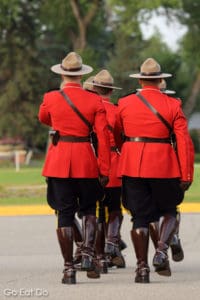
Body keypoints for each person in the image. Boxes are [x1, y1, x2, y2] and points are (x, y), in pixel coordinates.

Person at [115, 58, 194, 283]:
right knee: (169, 209)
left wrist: (130, 150)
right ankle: (161, 251)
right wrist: (186, 174)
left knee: (139, 217)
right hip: (163, 165)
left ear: (140, 80)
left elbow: (118, 134)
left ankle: (141, 270)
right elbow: (184, 141)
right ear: (160, 81)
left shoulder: (125, 103)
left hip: (133, 164)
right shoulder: (172, 105)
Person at [38, 52, 110, 284]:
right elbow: (103, 136)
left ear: (62, 73)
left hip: (59, 162)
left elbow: (44, 118)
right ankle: (88, 254)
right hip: (85, 160)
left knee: (64, 215)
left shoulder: (50, 97)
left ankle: (69, 268)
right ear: (81, 75)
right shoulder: (94, 100)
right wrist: (104, 168)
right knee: (89, 210)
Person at [83, 72, 126, 272]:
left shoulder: (88, 108)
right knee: (115, 208)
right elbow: (121, 139)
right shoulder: (117, 110)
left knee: (97, 212)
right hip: (114, 162)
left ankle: (99, 257)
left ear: (94, 89)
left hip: (92, 161)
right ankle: (112, 241)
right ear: (110, 90)